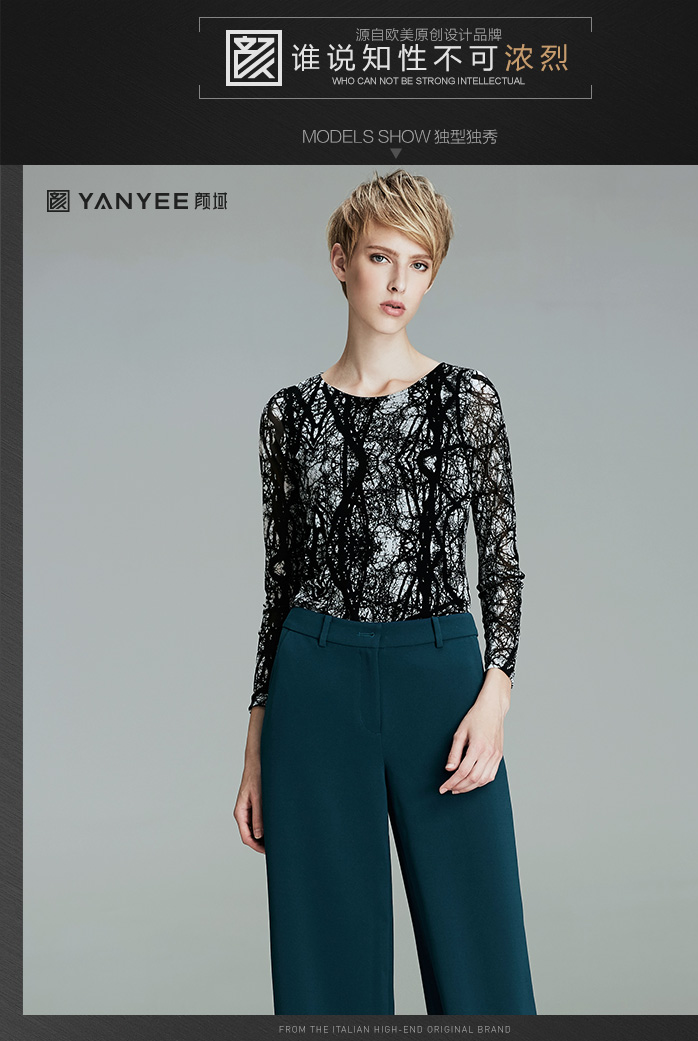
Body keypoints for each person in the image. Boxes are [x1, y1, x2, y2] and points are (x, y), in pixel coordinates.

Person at [233, 168, 538, 1016]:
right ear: (341, 260)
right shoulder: (288, 417)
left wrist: (495, 696)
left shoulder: (467, 400)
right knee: (324, 967)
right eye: (380, 257)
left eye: (419, 263)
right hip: (314, 677)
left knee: (484, 961)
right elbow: (279, 584)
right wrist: (256, 744)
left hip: (439, 675)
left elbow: (502, 566)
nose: (399, 281)